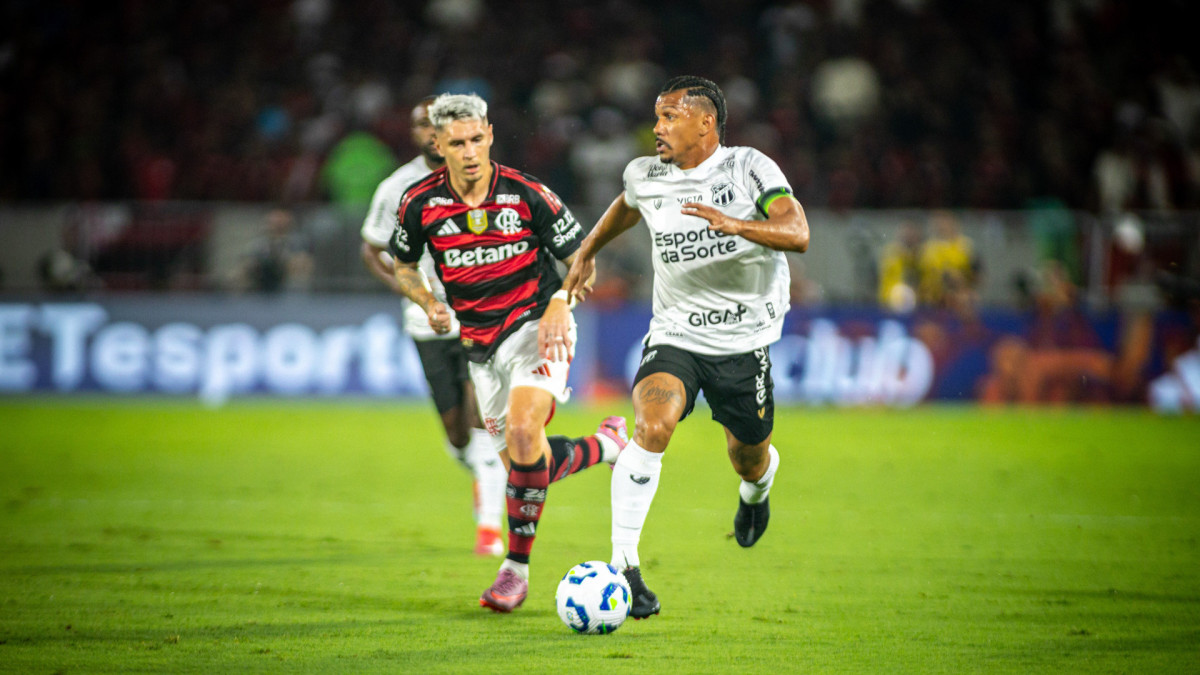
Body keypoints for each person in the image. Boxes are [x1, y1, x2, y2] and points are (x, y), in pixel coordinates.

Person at [564, 76, 810, 620]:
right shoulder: (646, 174)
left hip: (744, 342)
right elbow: (630, 204)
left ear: (706, 122)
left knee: (747, 458)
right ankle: (624, 564)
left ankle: (756, 490)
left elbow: (797, 232)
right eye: (657, 117)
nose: (657, 127)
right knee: (652, 427)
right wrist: (587, 248)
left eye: (670, 116)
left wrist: (736, 224)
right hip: (675, 334)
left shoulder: (750, 168)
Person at [387, 93, 628, 613]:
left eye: (478, 139)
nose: (470, 151)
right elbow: (401, 264)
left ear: (490, 135)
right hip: (478, 347)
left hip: (537, 330)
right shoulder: (419, 203)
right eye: (457, 143)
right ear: (438, 145)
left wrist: (563, 300)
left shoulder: (527, 194)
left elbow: (583, 259)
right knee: (526, 464)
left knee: (523, 434)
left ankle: (513, 572)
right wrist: (427, 300)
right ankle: (606, 446)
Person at [361, 97, 508, 557]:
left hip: (477, 315)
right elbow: (372, 249)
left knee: (480, 418)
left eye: (435, 122)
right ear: (417, 134)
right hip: (426, 321)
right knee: (456, 434)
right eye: (421, 124)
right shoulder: (397, 188)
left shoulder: (480, 176)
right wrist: (414, 294)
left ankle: (489, 530)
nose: (429, 131)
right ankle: (484, 473)